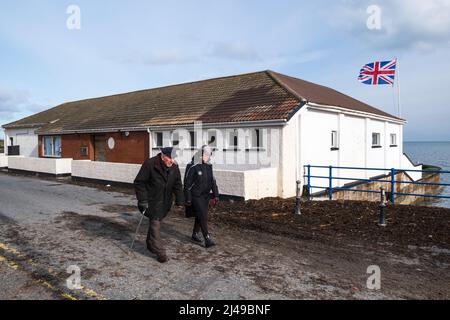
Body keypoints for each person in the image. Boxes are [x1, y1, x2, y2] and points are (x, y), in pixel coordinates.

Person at [134, 147, 184, 263]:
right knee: (155, 224)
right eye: (169, 158)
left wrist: (180, 201)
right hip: (150, 202)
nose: (171, 160)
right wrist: (142, 199)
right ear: (162, 156)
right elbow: (139, 182)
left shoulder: (174, 167)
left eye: (173, 158)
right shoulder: (150, 164)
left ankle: (150, 245)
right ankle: (161, 253)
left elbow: (177, 185)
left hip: (165, 203)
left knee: (155, 224)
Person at [184, 145, 219, 248]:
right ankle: (207, 238)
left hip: (205, 196)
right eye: (206, 154)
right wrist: (188, 198)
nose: (208, 157)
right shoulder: (193, 165)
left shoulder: (209, 166)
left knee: (200, 215)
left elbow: (212, 181)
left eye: (209, 155)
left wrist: (216, 195)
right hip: (195, 196)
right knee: (203, 215)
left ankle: (195, 234)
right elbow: (187, 184)